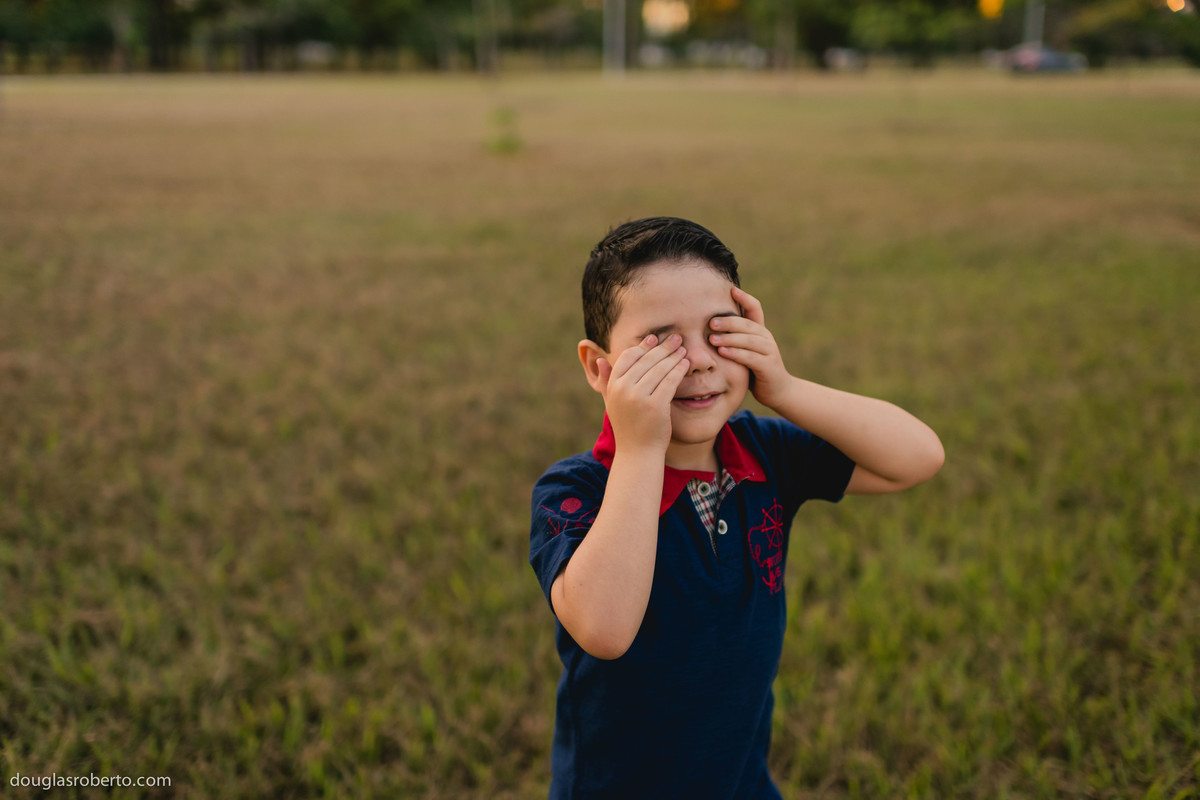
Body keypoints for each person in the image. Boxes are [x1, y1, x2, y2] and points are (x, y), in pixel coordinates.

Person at [529, 217, 944, 799]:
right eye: (662, 341)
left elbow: (917, 457)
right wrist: (644, 446)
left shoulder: (766, 452)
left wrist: (786, 389)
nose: (698, 360)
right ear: (600, 368)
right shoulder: (576, 488)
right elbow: (605, 628)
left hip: (740, 781)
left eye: (719, 330)